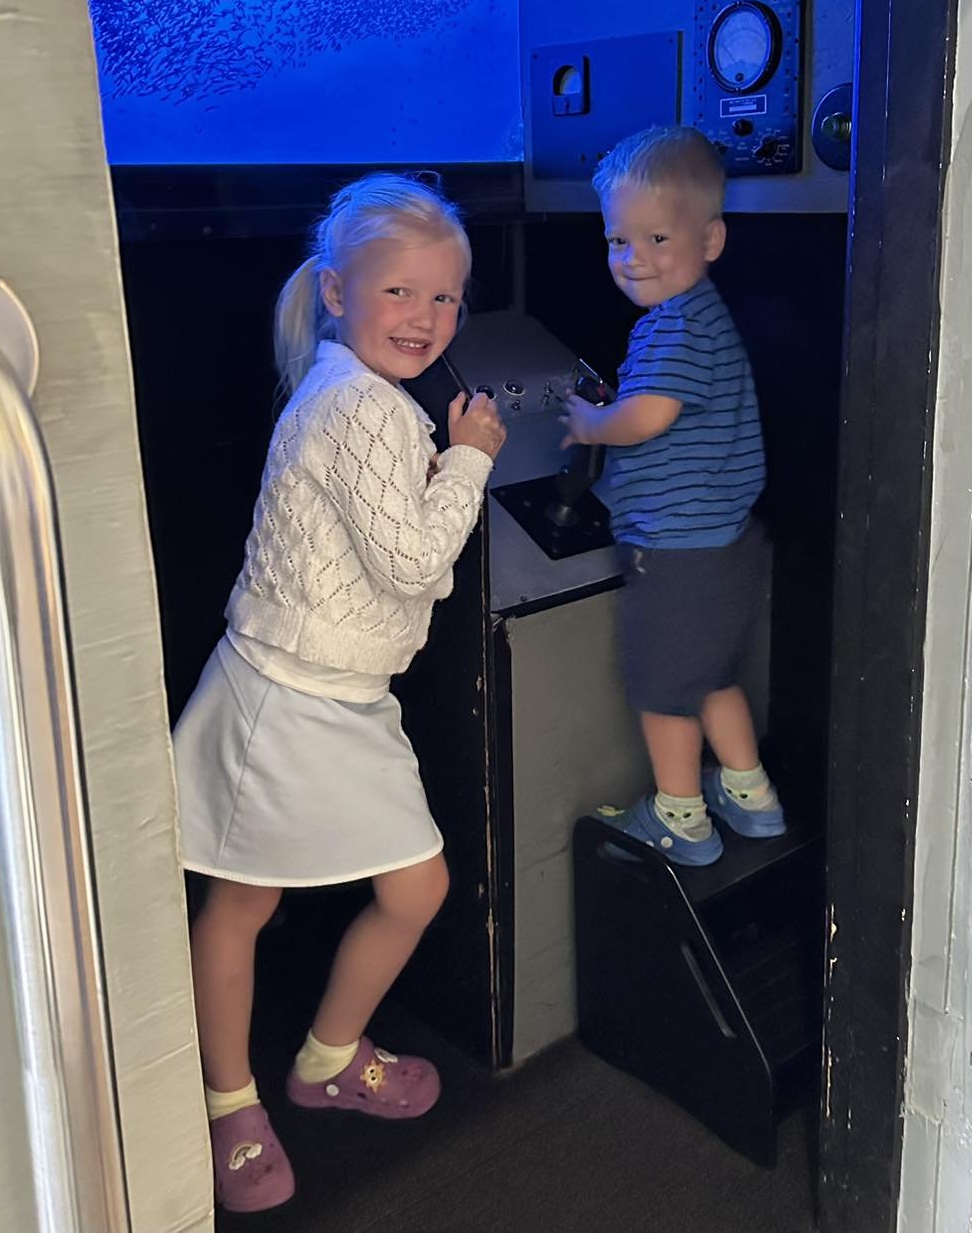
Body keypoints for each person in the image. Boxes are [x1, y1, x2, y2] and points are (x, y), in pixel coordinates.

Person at [173, 172, 505, 1211]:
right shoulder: (358, 408)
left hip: (345, 695)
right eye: (400, 292)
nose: (426, 317)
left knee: (407, 889)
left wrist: (442, 454)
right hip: (283, 693)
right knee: (244, 897)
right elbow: (413, 567)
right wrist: (472, 461)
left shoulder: (362, 399)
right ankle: (232, 1101)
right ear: (336, 292)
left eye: (445, 298)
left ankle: (323, 1061)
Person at [562, 126, 785, 867]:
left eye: (658, 238)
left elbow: (649, 414)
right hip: (729, 540)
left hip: (678, 548)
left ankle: (680, 817)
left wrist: (595, 423)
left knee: (663, 692)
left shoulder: (670, 328)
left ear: (710, 239)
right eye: (618, 241)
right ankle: (751, 797)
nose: (636, 260)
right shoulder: (709, 317)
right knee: (713, 675)